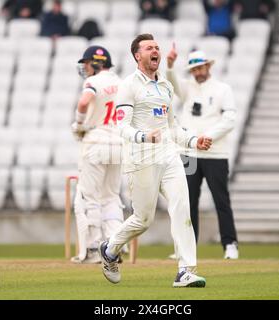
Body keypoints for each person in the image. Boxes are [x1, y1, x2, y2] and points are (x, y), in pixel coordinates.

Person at [98, 33, 212, 288]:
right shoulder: (129, 85)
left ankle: (185, 270)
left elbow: (172, 127)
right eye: (149, 48)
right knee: (143, 219)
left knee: (182, 207)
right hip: (141, 159)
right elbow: (121, 127)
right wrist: (143, 136)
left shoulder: (166, 86)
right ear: (137, 55)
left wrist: (194, 142)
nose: (155, 51)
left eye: (157, 47)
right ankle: (110, 249)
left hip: (169, 156)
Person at [166, 45, 239, 259]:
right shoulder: (187, 88)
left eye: (201, 68)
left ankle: (230, 244)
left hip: (215, 153)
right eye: (194, 69)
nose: (198, 72)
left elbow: (230, 119)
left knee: (221, 200)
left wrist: (208, 137)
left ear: (208, 66)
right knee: (188, 202)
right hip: (190, 153)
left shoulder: (222, 89)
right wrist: (170, 64)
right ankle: (187, 248)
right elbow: (171, 81)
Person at [70, 46, 125, 264]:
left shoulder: (94, 82)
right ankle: (114, 246)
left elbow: (84, 102)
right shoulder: (122, 83)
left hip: (95, 142)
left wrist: (79, 124)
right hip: (118, 144)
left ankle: (93, 249)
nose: (84, 67)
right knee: (111, 196)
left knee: (89, 196)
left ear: (95, 64)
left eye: (86, 63)